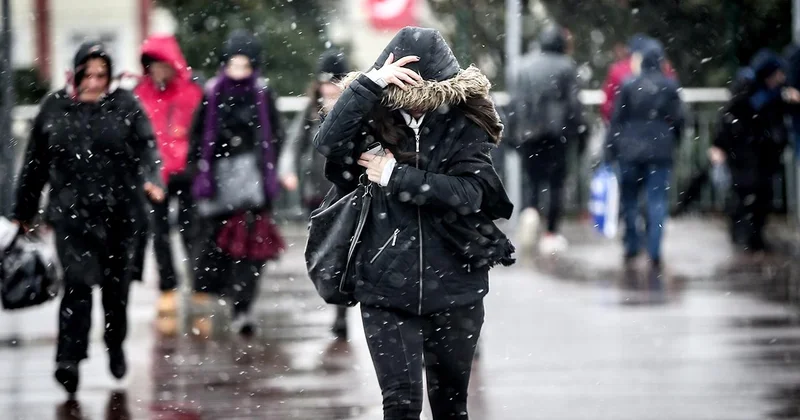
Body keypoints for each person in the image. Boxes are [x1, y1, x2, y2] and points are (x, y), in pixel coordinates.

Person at [314, 26, 515, 419]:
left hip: (456, 284)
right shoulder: (373, 118)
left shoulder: (464, 123)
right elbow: (329, 144)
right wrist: (369, 84)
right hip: (384, 286)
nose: (416, 107)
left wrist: (397, 176)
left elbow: (470, 193)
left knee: (451, 407)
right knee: (400, 406)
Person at [13, 41, 165, 394]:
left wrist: (152, 180)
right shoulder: (55, 107)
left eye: (102, 74)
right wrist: (23, 212)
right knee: (77, 287)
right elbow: (35, 164)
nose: (95, 82)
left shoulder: (125, 105)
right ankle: (69, 359)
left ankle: (115, 343)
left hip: (120, 214)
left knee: (116, 291)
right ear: (76, 73)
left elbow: (148, 148)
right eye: (88, 74)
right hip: (71, 216)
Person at [188, 30, 285, 338]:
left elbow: (275, 136)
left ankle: (243, 307)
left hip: (253, 187)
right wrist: (200, 171)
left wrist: (266, 170)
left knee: (251, 251)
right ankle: (228, 298)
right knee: (216, 249)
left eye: (245, 65)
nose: (239, 71)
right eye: (234, 64)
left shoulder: (262, 93)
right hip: (217, 186)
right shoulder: (213, 92)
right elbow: (198, 136)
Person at [278, 48, 351, 339]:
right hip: (317, 194)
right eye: (325, 82)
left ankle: (341, 311)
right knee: (325, 252)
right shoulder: (311, 113)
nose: (329, 88)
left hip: (346, 191)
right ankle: (335, 298)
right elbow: (294, 145)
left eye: (334, 81)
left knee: (344, 250)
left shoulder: (354, 109)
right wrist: (288, 172)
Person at [133, 34, 203, 332]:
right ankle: (168, 288)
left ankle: (198, 285)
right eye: (153, 66)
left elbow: (200, 132)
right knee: (158, 234)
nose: (158, 72)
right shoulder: (140, 94)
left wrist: (193, 163)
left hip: (185, 173)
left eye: (162, 65)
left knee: (192, 232)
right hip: (155, 177)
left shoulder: (191, 91)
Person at [605, 39, 684, 274]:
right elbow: (680, 119)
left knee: (629, 199)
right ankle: (654, 250)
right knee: (656, 200)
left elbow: (616, 120)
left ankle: (631, 246)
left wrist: (611, 148)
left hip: (629, 151)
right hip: (659, 151)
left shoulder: (628, 84)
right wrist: (672, 140)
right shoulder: (669, 87)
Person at [709, 50, 800, 252]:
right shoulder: (748, 90)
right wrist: (719, 145)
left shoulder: (777, 92)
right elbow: (729, 117)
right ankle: (743, 237)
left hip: (764, 154)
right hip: (744, 153)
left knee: (762, 196)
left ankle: (754, 238)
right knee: (744, 194)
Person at [509, 24, 588, 254]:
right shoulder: (566, 67)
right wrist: (579, 132)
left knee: (531, 180)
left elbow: (515, 103)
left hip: (528, 133)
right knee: (556, 184)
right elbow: (574, 105)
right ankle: (551, 233)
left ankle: (530, 213)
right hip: (557, 134)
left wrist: (512, 134)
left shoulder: (523, 66)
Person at [600, 34, 677, 124]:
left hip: (628, 129)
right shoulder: (665, 68)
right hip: (660, 128)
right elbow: (674, 104)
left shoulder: (618, 71)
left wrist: (616, 125)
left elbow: (607, 105)